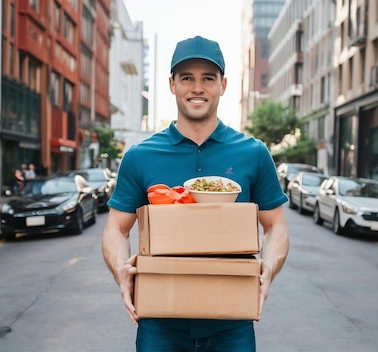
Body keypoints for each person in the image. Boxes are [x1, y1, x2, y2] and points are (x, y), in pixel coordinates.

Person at [101, 35, 289, 351]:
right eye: (187, 78)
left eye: (208, 78)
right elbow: (116, 229)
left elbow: (276, 226)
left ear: (223, 85)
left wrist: (268, 269)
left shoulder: (253, 153)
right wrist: (122, 270)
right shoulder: (140, 156)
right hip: (160, 323)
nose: (197, 88)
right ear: (172, 84)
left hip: (232, 323)